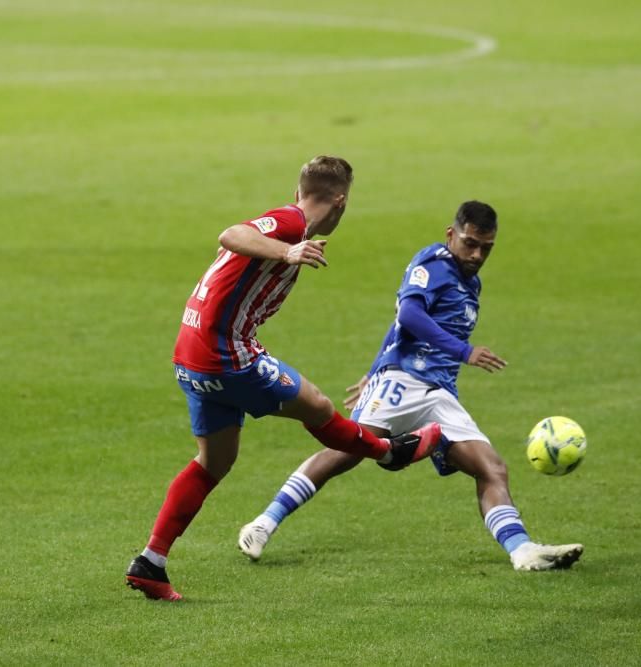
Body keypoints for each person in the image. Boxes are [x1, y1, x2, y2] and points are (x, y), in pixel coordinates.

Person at [126, 156, 442, 601]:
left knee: (214, 463)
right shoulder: (290, 224)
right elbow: (230, 234)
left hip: (192, 355)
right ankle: (388, 452)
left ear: (299, 189)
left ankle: (150, 563)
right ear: (340, 201)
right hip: (224, 354)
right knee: (316, 405)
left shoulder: (290, 222)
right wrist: (287, 251)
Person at [238, 201, 584, 572]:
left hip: (438, 392)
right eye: (470, 243)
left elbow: (399, 326)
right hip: (403, 380)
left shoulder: (471, 281)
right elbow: (409, 314)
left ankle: (523, 552)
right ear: (451, 234)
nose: (477, 254)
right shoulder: (434, 264)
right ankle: (263, 524)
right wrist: (461, 352)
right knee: (346, 449)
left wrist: (373, 369)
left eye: (486, 248)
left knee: (491, 468)